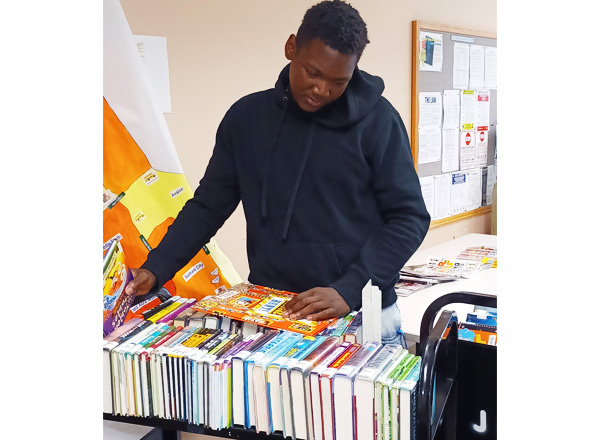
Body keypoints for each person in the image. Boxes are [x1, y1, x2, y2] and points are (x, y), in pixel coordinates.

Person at [125, 0, 430, 345]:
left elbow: (410, 218)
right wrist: (157, 267)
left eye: (338, 81)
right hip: (272, 310)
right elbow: (208, 206)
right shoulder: (246, 119)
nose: (322, 90)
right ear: (290, 48)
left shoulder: (378, 122)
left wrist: (349, 289)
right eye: (313, 73)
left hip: (360, 316)